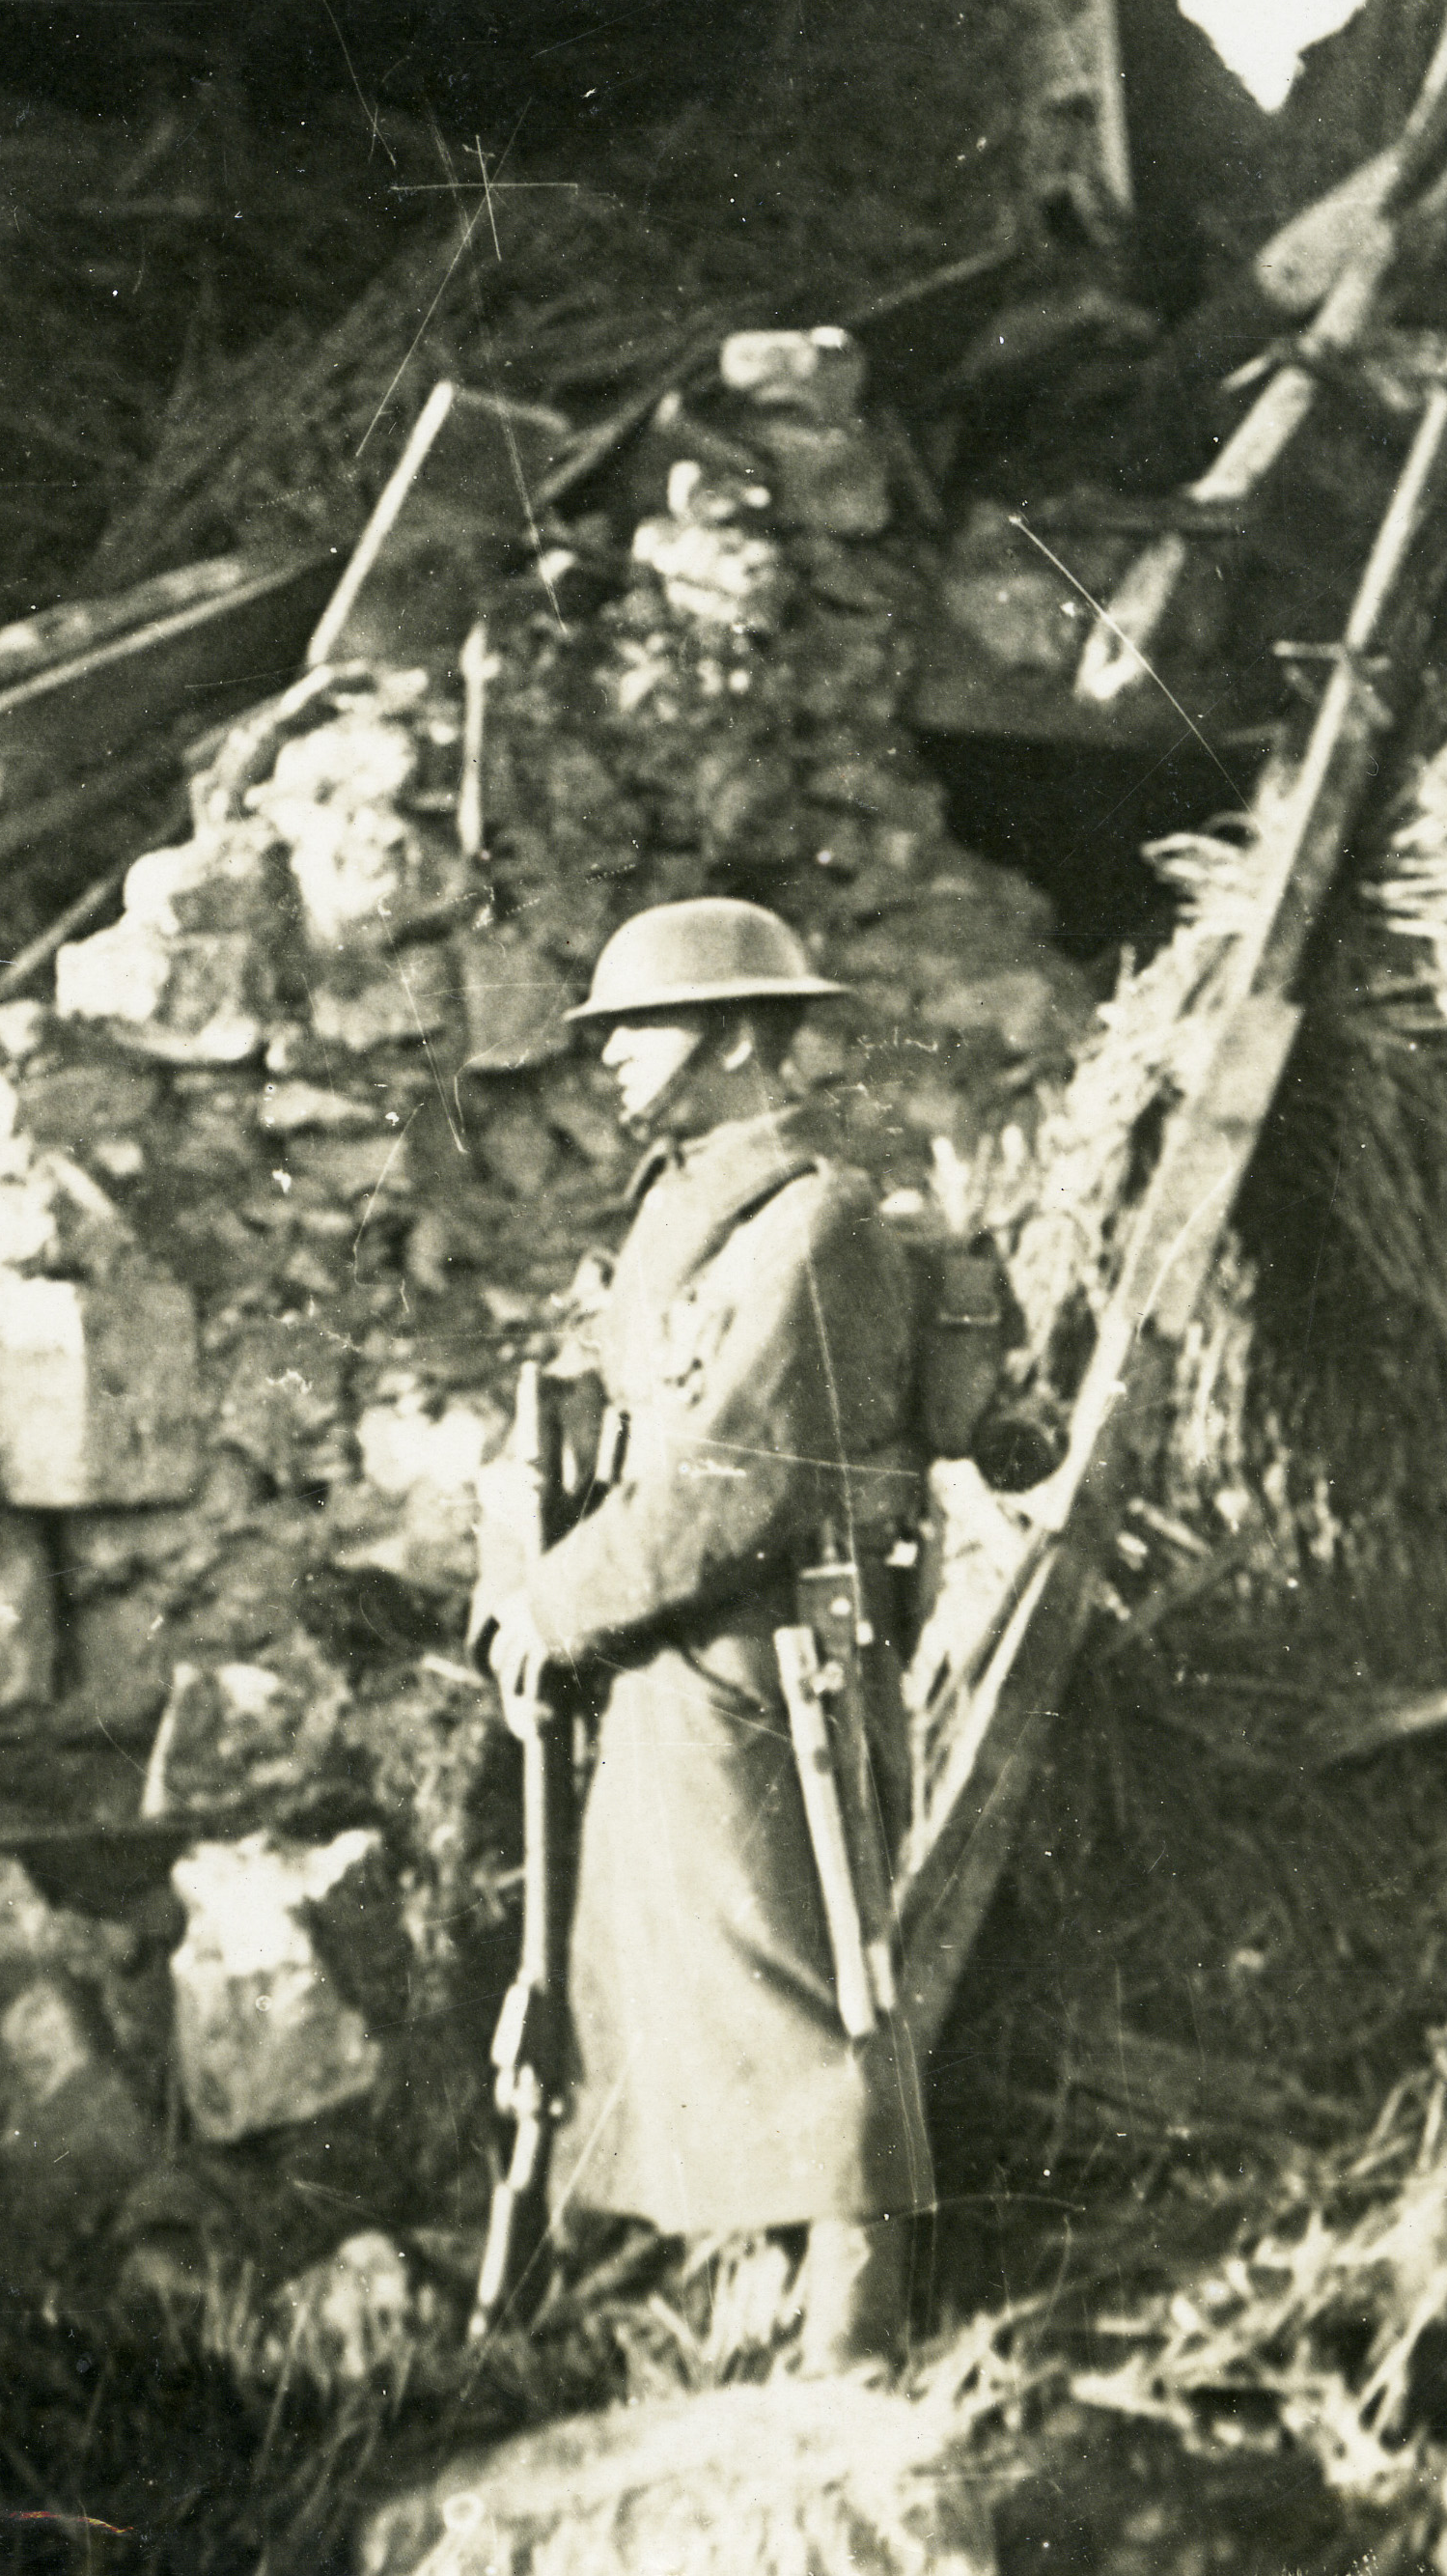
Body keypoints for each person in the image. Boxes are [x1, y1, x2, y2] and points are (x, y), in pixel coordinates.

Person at [472, 896, 929, 2368]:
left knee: (787, 1987)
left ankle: (853, 2331)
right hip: (677, 1664)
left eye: (639, 1031)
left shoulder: (817, 1224)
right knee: (689, 1994)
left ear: (739, 1037)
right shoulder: (695, 1213)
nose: (606, 1061)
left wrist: (558, 1601)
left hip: (762, 1670)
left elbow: (738, 1477)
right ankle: (761, 2300)